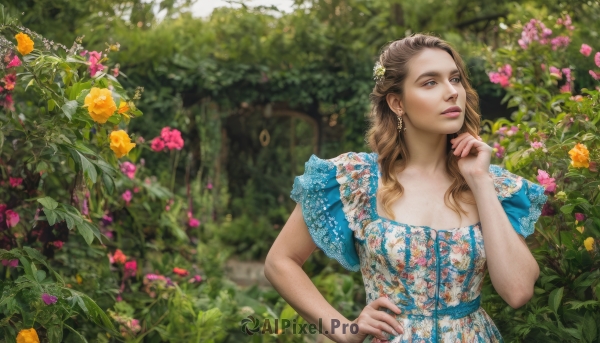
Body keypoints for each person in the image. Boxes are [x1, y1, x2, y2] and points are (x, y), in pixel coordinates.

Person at [264, 34, 547, 343]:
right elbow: (280, 262)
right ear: (397, 102)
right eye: (430, 82)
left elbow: (518, 292)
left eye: (455, 79)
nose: (452, 92)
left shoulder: (492, 184)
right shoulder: (356, 181)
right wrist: (343, 329)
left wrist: (480, 182)